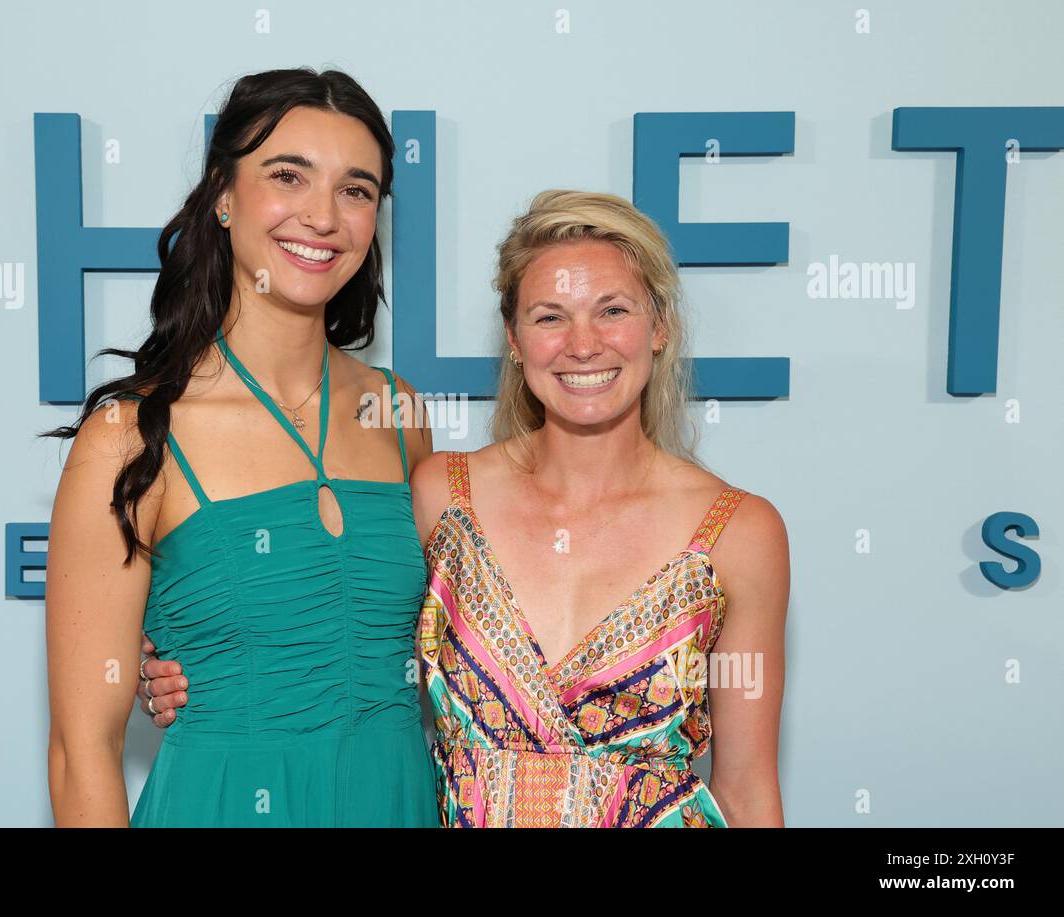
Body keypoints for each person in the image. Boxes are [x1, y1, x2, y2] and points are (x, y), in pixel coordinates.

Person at [143, 189, 789, 827]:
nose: (583, 344)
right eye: (549, 316)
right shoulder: (442, 495)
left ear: (661, 327)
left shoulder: (740, 533)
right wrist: (186, 659)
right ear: (513, 337)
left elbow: (748, 791)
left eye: (612, 310)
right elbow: (337, 627)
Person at [44, 67, 438, 827]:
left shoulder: (397, 411)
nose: (323, 216)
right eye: (288, 175)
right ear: (223, 195)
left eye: (356, 190)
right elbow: (79, 749)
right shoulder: (129, 436)